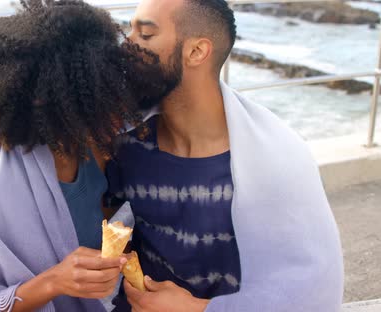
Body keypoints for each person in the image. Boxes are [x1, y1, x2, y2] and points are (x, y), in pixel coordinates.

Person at [104, 0, 344, 311]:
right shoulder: (124, 144)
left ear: (196, 52)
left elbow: (311, 289)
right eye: (130, 30)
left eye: (145, 35)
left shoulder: (274, 160)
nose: (127, 45)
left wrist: (196, 309)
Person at [0, 0, 168, 311]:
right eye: (100, 99)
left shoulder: (99, 141)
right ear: (52, 105)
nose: (118, 108)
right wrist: (55, 281)